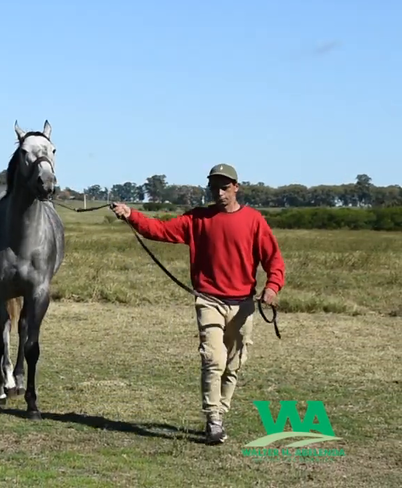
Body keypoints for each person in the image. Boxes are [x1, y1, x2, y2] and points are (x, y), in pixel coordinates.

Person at [109, 163, 285, 445]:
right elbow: (160, 230)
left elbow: (273, 259)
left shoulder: (254, 220)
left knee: (234, 364)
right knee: (213, 359)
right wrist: (131, 215)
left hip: (242, 305)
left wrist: (272, 287)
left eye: (225, 187)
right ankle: (213, 419)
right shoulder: (197, 219)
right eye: (214, 187)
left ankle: (221, 412)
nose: (219, 192)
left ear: (236, 187)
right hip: (208, 300)